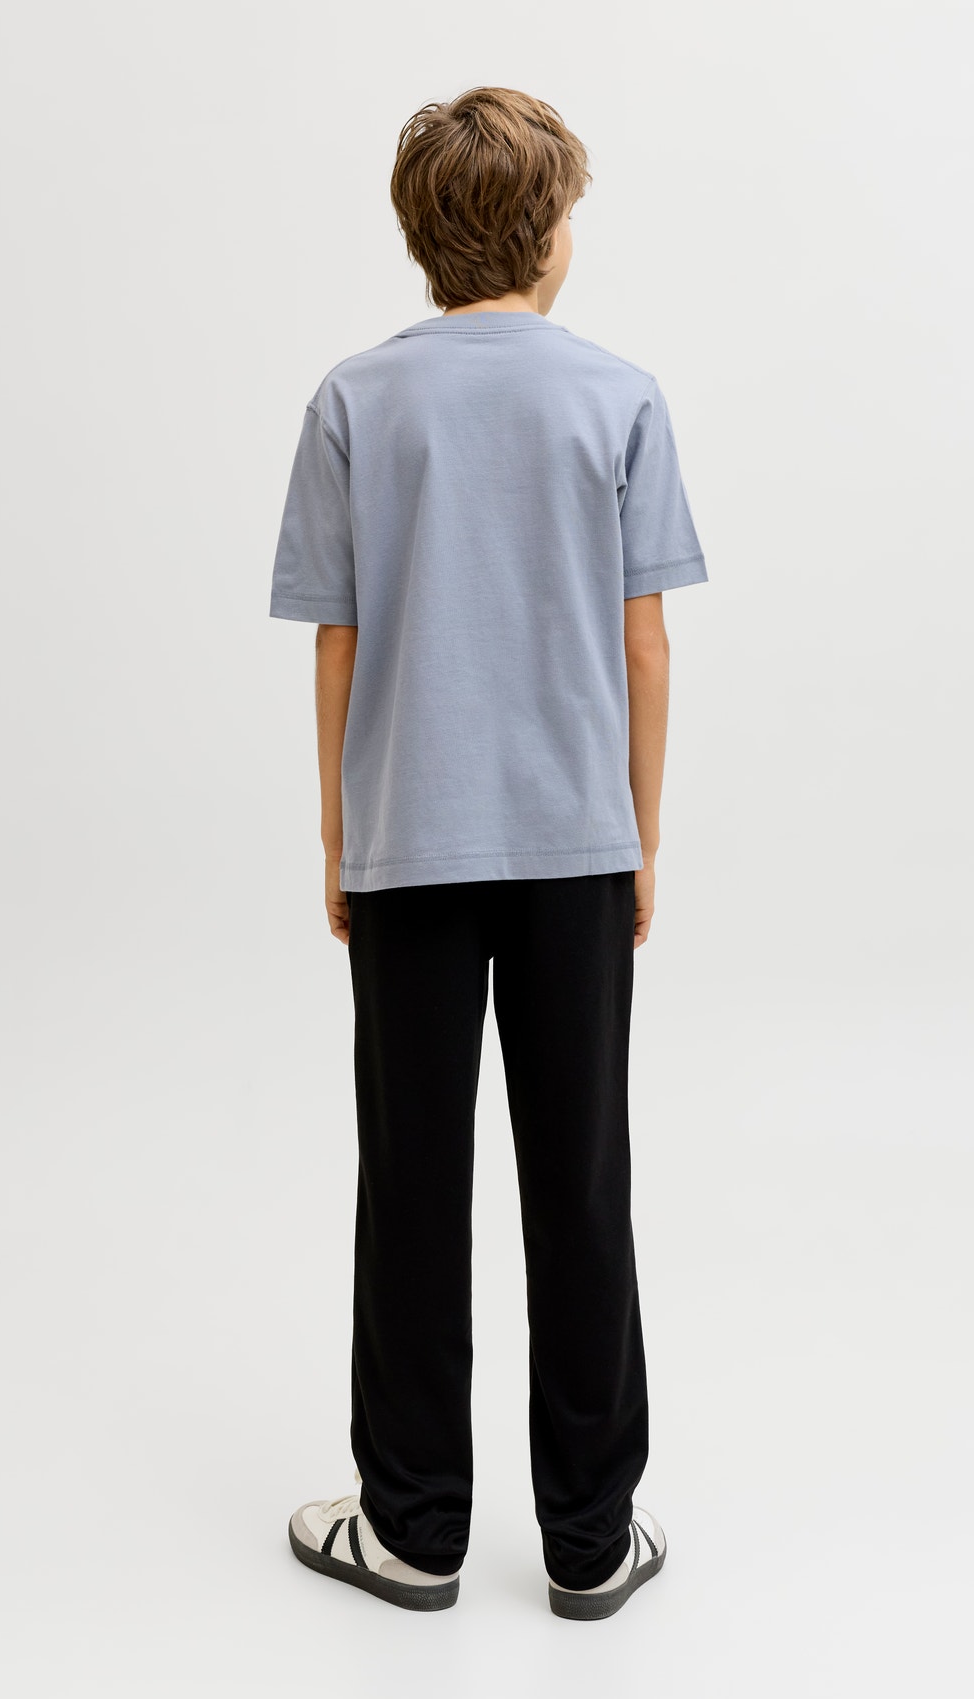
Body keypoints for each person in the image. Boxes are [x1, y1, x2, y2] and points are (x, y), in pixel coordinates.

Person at [269, 86, 707, 1619]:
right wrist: (640, 833)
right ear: (550, 232)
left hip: (412, 842)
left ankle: (413, 1527)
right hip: (576, 841)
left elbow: (337, 643)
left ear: (424, 234)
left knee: (413, 1179)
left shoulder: (354, 399)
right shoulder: (620, 395)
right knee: (581, 1180)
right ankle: (590, 1537)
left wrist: (343, 830)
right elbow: (645, 647)